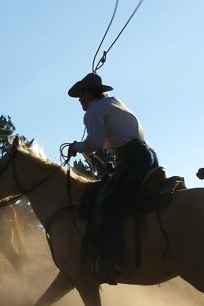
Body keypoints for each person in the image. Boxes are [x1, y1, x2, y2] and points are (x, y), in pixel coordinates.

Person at [66, 72, 159, 283]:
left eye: (81, 94)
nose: (80, 99)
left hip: (133, 160)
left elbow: (95, 144)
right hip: (146, 156)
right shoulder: (113, 103)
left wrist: (76, 146)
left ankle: (112, 260)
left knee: (107, 203)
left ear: (90, 93)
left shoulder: (93, 111)